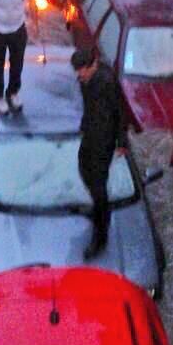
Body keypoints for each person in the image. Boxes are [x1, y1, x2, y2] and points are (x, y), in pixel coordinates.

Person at [70, 47, 127, 259]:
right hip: (91, 133)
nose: (79, 74)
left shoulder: (106, 82)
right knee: (83, 167)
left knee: (97, 183)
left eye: (83, 70)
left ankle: (100, 235)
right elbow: (89, 105)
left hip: (103, 140)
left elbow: (120, 111)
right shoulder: (86, 81)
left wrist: (122, 141)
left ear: (93, 65)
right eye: (77, 70)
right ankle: (98, 207)